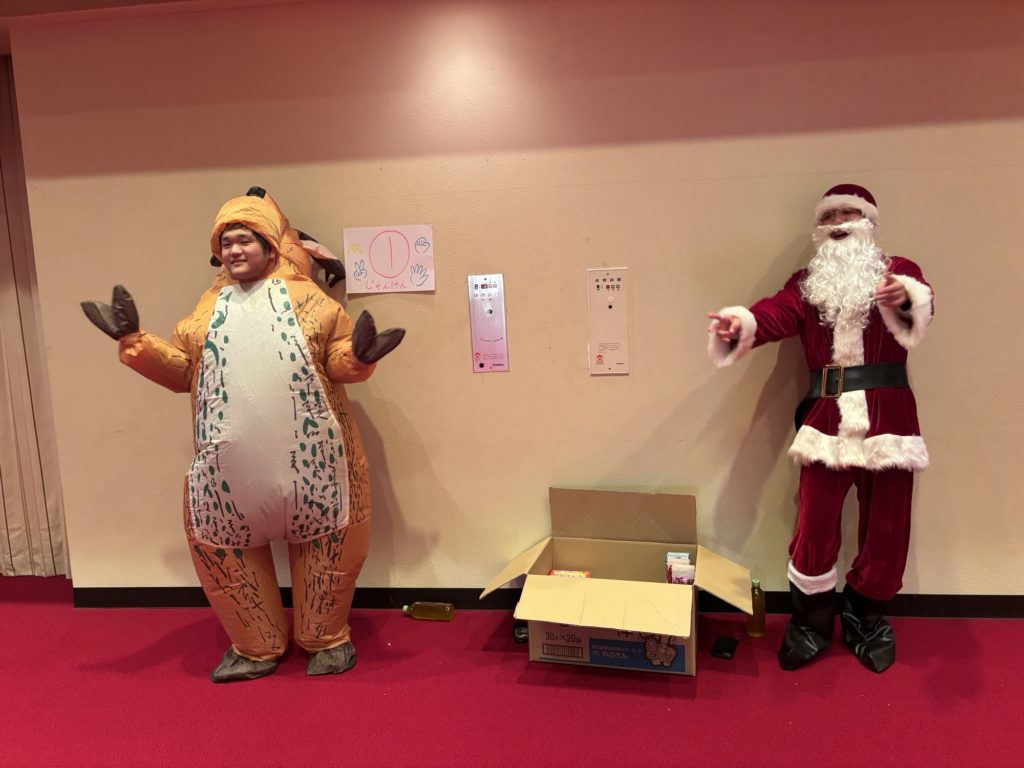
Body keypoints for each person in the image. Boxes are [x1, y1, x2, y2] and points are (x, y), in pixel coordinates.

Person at [82, 191, 404, 682]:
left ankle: (325, 637)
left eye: (244, 241)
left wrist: (359, 357)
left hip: (317, 468)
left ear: (270, 246)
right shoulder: (206, 311)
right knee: (223, 552)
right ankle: (255, 644)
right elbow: (183, 371)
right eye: (226, 243)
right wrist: (137, 343)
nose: (234, 251)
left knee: (330, 551)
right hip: (229, 478)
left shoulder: (312, 302)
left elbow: (335, 358)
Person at [706, 184, 933, 673]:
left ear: (869, 222)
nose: (840, 222)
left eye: (850, 213)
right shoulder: (806, 284)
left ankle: (866, 617)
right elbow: (776, 312)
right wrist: (741, 323)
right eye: (830, 215)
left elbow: (920, 304)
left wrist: (904, 298)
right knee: (815, 522)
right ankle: (811, 621)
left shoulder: (899, 271)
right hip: (827, 416)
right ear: (819, 228)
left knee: (888, 525)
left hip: (890, 417)